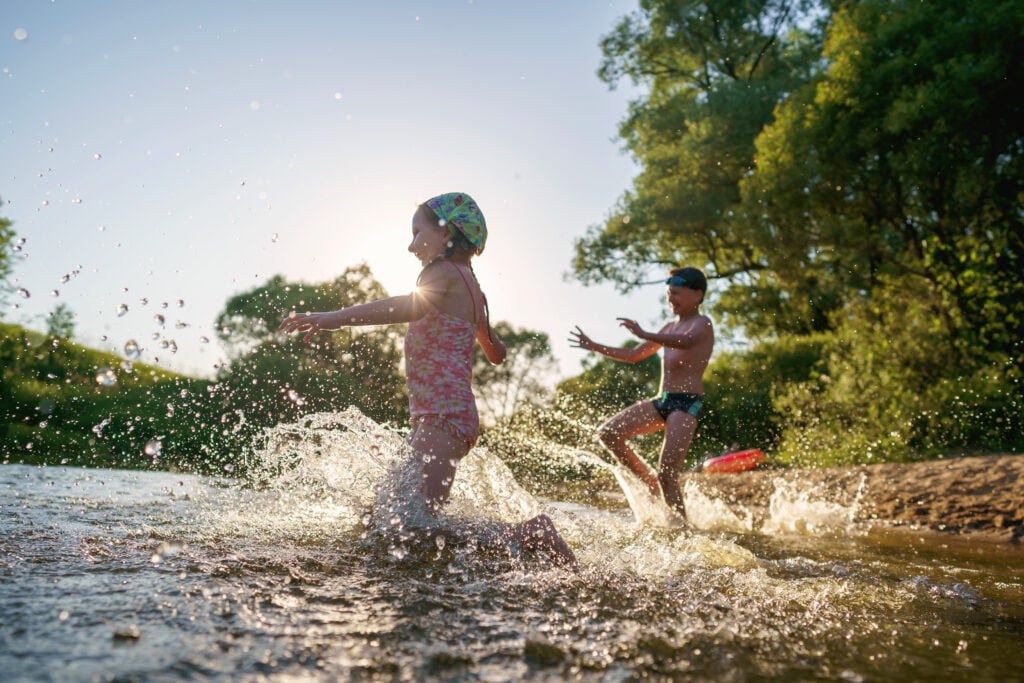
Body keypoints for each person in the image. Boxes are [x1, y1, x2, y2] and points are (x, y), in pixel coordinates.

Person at [279, 192, 576, 565]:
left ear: (446, 231)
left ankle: (530, 533)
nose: (410, 245)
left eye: (417, 232)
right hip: (443, 415)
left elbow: (409, 305)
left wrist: (334, 317)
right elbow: (496, 353)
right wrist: (482, 326)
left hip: (444, 416)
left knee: (415, 524)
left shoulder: (442, 272)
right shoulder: (473, 287)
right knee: (382, 518)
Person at [569, 266, 713, 520]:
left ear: (698, 294)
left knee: (668, 472)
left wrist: (644, 333)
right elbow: (634, 355)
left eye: (677, 294)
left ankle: (683, 530)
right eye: (669, 295)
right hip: (663, 401)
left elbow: (687, 341)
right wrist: (594, 346)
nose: (671, 300)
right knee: (609, 433)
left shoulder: (703, 324)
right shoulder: (668, 327)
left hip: (686, 404)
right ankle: (649, 480)